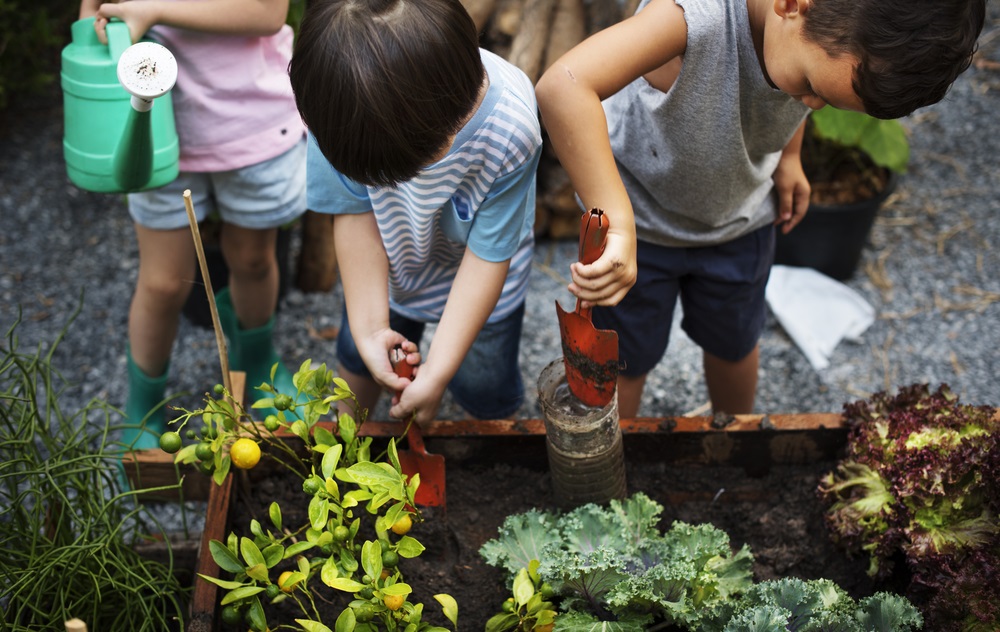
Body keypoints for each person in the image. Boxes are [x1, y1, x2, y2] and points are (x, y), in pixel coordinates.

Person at [535, 0, 985, 418]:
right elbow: (564, 87)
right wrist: (617, 219)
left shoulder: (807, 34)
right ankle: (618, 467)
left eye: (826, 100)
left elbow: (787, 96)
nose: (809, 103)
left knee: (734, 346)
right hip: (639, 235)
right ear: (791, 4)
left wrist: (789, 158)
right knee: (624, 362)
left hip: (740, 223)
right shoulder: (691, 19)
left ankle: (736, 447)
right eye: (811, 87)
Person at [289, 0, 542, 425]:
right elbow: (354, 213)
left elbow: (487, 256)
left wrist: (438, 371)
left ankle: (487, 439)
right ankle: (349, 443)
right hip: (390, 269)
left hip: (481, 281)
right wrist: (371, 329)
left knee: (483, 383)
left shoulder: (511, 129)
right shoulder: (337, 104)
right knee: (358, 354)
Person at [80, 0, 307, 449]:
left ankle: (257, 362)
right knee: (163, 283)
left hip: (250, 119)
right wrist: (99, 28)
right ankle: (143, 404)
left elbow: (267, 13)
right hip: (154, 126)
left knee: (254, 260)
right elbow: (92, 14)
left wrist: (153, 10)